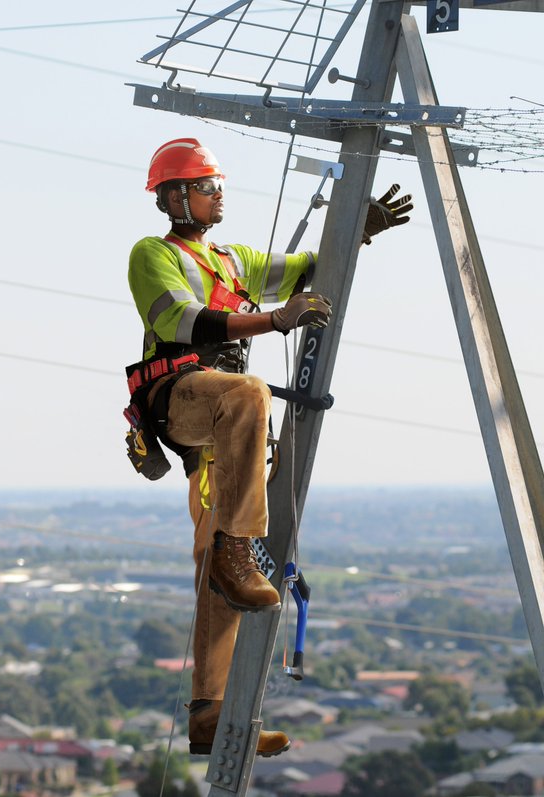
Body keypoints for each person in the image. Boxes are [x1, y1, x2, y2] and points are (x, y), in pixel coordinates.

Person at [124, 138, 409, 758]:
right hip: (180, 397)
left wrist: (359, 229)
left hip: (224, 422)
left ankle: (209, 715)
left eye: (217, 184)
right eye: (206, 185)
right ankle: (236, 553)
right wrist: (278, 320)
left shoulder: (232, 260)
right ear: (174, 197)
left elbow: (304, 269)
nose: (217, 194)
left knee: (215, 568)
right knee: (250, 393)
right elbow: (183, 322)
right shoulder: (153, 254)